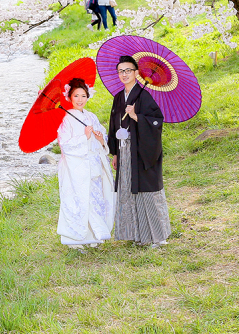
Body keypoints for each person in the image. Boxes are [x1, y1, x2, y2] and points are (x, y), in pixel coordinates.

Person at [107, 55, 171, 247]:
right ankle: (137, 235)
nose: (124, 74)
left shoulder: (144, 96)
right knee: (127, 189)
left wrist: (136, 116)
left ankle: (158, 236)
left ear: (136, 73)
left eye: (128, 70)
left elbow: (156, 121)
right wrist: (115, 153)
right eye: (121, 71)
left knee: (147, 191)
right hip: (124, 150)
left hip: (142, 151)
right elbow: (113, 125)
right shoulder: (119, 97)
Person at [56, 78, 116, 249]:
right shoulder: (66, 119)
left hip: (94, 164)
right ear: (70, 97)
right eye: (76, 95)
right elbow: (65, 145)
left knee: (96, 198)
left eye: (83, 95)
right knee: (79, 201)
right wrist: (85, 137)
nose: (80, 99)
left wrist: (100, 139)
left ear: (88, 97)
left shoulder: (91, 116)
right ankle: (76, 240)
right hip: (76, 168)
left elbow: (103, 139)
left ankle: (94, 236)